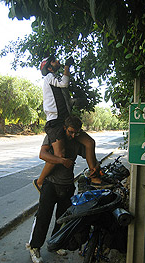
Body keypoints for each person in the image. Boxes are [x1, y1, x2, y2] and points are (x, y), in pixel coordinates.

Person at [26, 116, 104, 263]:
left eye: (76, 133)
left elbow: (89, 154)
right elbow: (42, 154)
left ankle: (56, 243)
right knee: (43, 218)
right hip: (51, 184)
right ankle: (34, 247)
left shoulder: (76, 140)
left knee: (62, 219)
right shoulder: (53, 137)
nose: (73, 135)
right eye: (70, 132)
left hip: (68, 185)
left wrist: (95, 168)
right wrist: (61, 160)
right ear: (64, 128)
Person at [33, 54, 105, 192]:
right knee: (60, 154)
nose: (57, 61)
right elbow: (64, 83)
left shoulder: (56, 83)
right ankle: (40, 181)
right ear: (49, 68)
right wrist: (67, 66)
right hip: (55, 122)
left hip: (65, 120)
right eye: (54, 61)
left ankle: (94, 176)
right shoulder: (49, 77)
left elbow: (65, 98)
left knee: (89, 143)